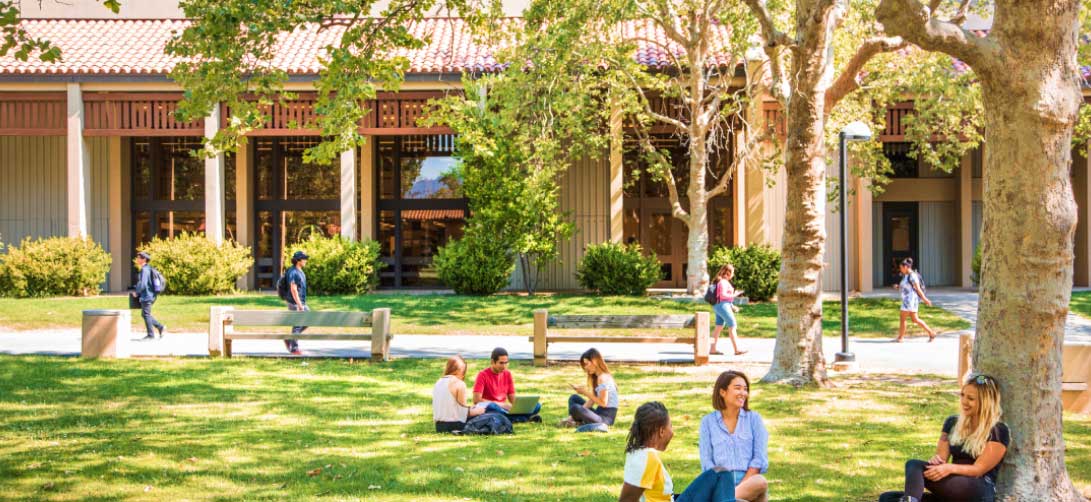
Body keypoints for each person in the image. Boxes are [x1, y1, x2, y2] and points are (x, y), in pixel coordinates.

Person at [878, 374, 1009, 502]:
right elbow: (941, 459)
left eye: (971, 398)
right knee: (888, 498)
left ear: (985, 401)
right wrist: (937, 463)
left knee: (914, 465)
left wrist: (950, 468)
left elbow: (978, 470)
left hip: (978, 489)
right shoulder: (952, 422)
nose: (964, 401)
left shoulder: (998, 430)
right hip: (953, 486)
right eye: (962, 395)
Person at [619, 401, 737, 502]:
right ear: (661, 431)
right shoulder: (646, 458)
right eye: (671, 426)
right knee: (721, 474)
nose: (672, 432)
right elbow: (627, 499)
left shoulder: (640, 454)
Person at [698, 370, 770, 502]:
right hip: (719, 483)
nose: (743, 393)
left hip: (749, 483)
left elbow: (759, 459)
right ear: (722, 392)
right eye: (738, 388)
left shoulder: (754, 419)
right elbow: (707, 462)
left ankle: (726, 499)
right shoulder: (707, 422)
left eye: (745, 389)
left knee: (760, 481)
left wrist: (742, 486)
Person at [472, 347, 542, 423]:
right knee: (492, 407)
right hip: (491, 409)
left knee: (537, 405)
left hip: (504, 410)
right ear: (492, 362)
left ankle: (514, 418)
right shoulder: (482, 375)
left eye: (506, 363)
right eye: (501, 363)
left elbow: (512, 399)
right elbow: (477, 400)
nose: (504, 366)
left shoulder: (507, 374)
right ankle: (524, 418)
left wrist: (520, 406)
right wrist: (502, 405)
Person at [562, 348, 620, 430]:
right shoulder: (597, 377)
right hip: (598, 414)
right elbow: (592, 401)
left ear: (595, 361)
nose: (585, 367)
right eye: (584, 365)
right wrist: (571, 417)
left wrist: (585, 392)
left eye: (587, 364)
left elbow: (603, 403)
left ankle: (578, 422)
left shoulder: (602, 378)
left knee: (575, 408)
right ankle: (573, 421)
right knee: (574, 398)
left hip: (605, 420)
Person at [432, 355, 485, 433]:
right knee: (488, 416)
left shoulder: (438, 382)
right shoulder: (459, 383)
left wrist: (470, 408)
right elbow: (463, 413)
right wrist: (480, 410)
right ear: (461, 370)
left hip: (439, 427)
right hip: (454, 425)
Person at [894, 258, 937, 343]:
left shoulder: (912, 275)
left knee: (903, 318)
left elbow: (918, 289)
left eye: (901, 268)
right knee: (915, 319)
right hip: (908, 300)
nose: (900, 269)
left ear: (906, 267)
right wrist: (898, 287)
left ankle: (900, 338)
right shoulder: (906, 275)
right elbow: (907, 286)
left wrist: (925, 299)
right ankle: (931, 333)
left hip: (910, 301)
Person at [710, 265, 746, 356]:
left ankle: (712, 349)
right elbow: (723, 296)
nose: (733, 275)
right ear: (728, 273)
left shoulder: (722, 282)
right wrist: (735, 295)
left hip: (719, 306)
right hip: (722, 306)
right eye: (733, 273)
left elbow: (723, 298)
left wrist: (732, 306)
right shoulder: (723, 282)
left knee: (718, 327)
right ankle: (737, 349)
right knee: (733, 325)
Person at [131, 251, 165, 341]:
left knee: (146, 314)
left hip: (147, 295)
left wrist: (137, 292)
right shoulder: (148, 268)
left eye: (139, 258)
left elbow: (143, 284)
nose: (137, 259)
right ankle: (160, 327)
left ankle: (151, 335)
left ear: (144, 259)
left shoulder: (145, 270)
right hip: (150, 295)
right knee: (145, 314)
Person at [284, 250, 308, 355]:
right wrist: (299, 305)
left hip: (300, 302)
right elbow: (293, 289)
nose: (306, 260)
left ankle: (290, 339)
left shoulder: (299, 270)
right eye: (304, 258)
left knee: (310, 318)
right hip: (294, 302)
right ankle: (294, 348)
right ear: (298, 260)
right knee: (298, 324)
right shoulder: (293, 272)